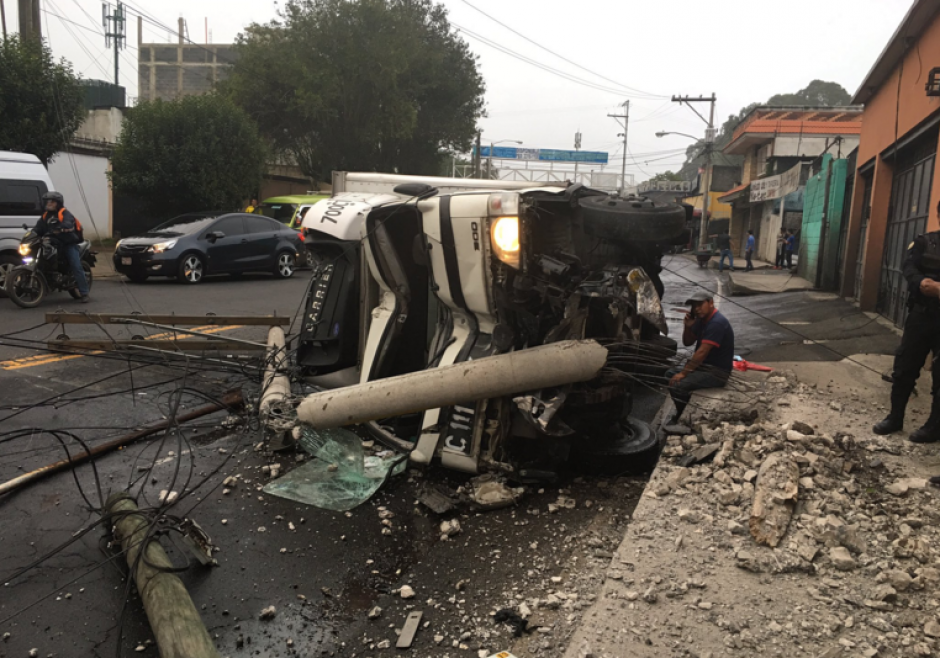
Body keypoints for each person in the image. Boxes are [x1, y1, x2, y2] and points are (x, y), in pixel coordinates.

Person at [873, 200, 940, 443]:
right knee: (904, 367)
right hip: (921, 315)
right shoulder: (924, 242)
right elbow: (909, 267)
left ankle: (934, 426)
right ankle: (895, 417)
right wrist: (920, 283)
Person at [666, 290, 735, 422]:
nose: (697, 309)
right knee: (669, 374)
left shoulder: (716, 323)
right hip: (703, 368)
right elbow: (688, 342)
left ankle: (682, 416)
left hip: (716, 372)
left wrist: (684, 373)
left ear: (710, 303)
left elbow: (702, 352)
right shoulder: (701, 320)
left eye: (700, 304)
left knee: (677, 385)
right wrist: (687, 327)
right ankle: (682, 408)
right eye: (694, 306)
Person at [34, 191, 89, 303]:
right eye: (48, 201)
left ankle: (84, 292)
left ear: (58, 203)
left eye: (52, 201)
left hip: (68, 244)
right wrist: (32, 234)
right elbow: (38, 228)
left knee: (76, 266)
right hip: (54, 243)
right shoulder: (46, 216)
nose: (49, 203)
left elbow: (68, 223)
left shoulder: (64, 213)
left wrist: (61, 228)